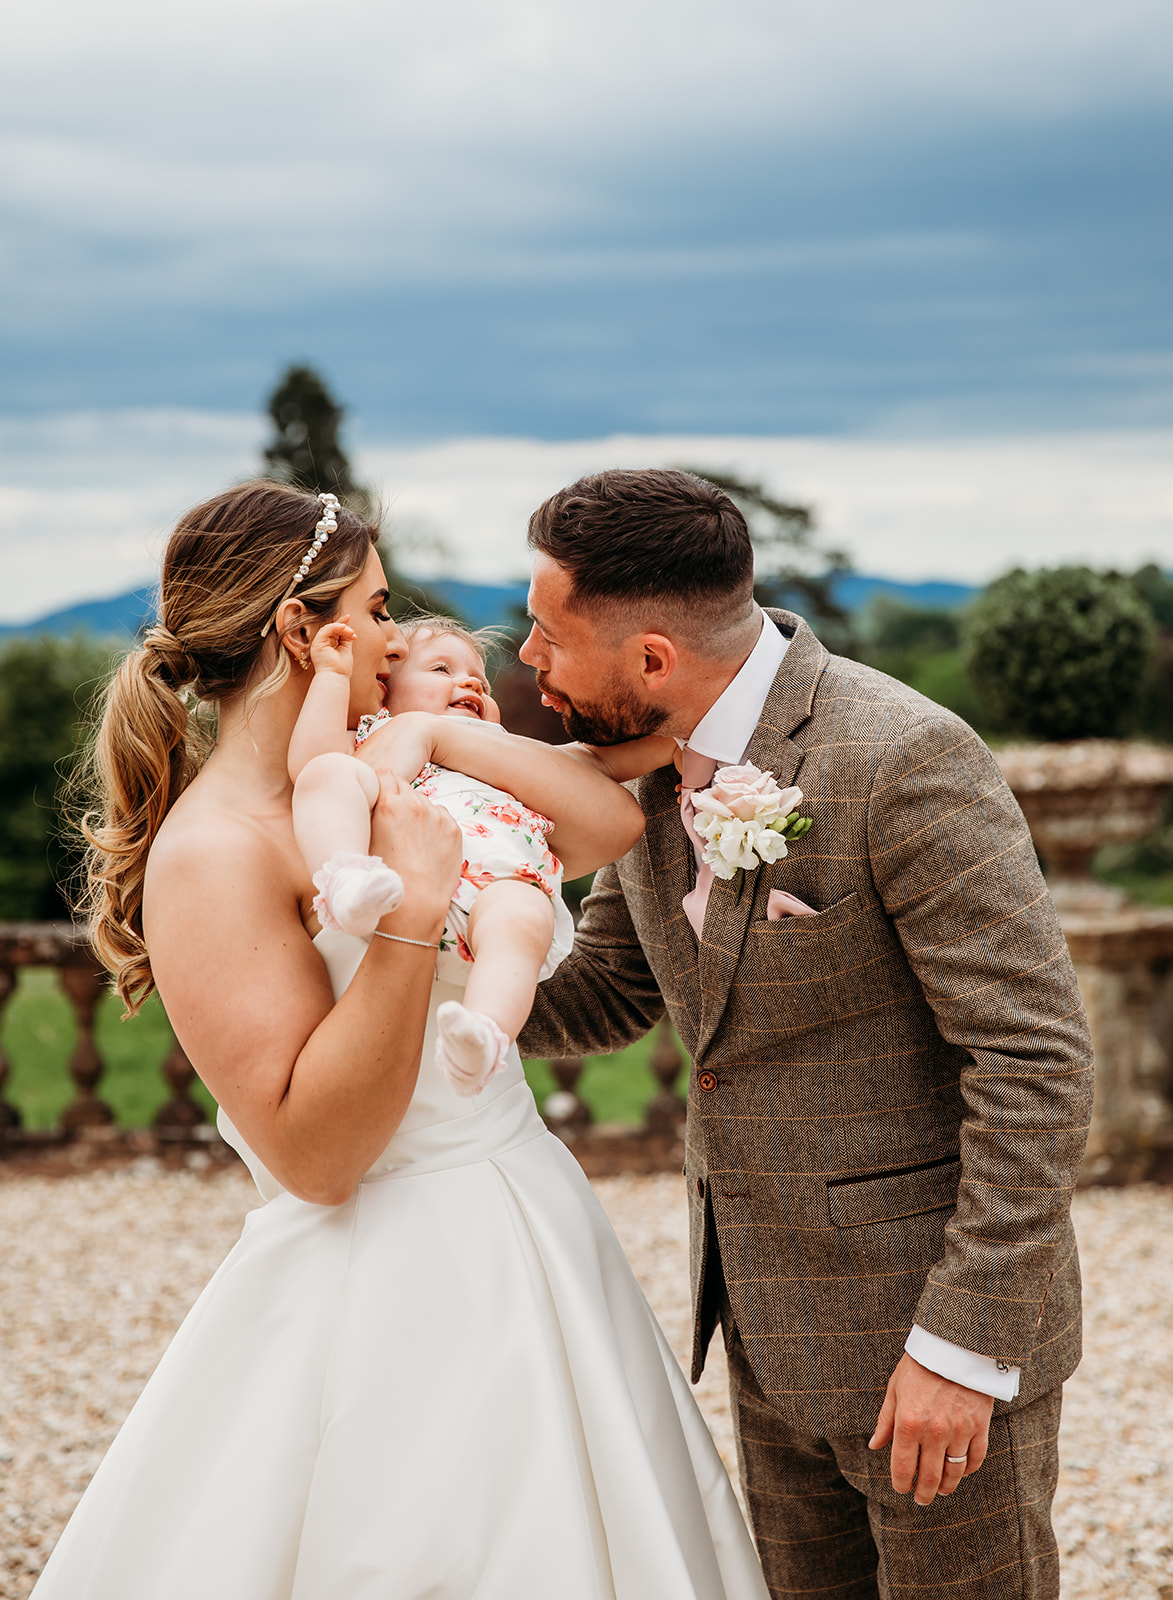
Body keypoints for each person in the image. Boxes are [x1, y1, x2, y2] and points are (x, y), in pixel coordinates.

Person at [33, 480, 769, 1599]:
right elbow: (318, 1158)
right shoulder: (216, 852)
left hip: (533, 1218)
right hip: (392, 1277)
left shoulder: (404, 769)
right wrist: (412, 918)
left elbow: (596, 828)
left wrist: (439, 733)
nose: (395, 634)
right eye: (376, 610)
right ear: (304, 630)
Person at [516, 468, 1094, 1600]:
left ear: (652, 658)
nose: (530, 658)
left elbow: (1035, 1062)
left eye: (549, 633)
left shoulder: (902, 756)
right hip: (765, 1326)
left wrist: (962, 1347)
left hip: (928, 1333)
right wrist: (408, 965)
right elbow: (609, 991)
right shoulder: (642, 768)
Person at [288, 613, 653, 1094]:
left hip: (493, 893)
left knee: (522, 917)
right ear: (385, 690)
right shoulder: (376, 733)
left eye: (482, 680)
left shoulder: (503, 749)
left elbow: (600, 761)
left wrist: (676, 746)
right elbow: (310, 765)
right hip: (393, 889)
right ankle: (345, 878)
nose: (471, 683)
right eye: (441, 669)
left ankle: (484, 1035)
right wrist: (332, 677)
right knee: (329, 773)